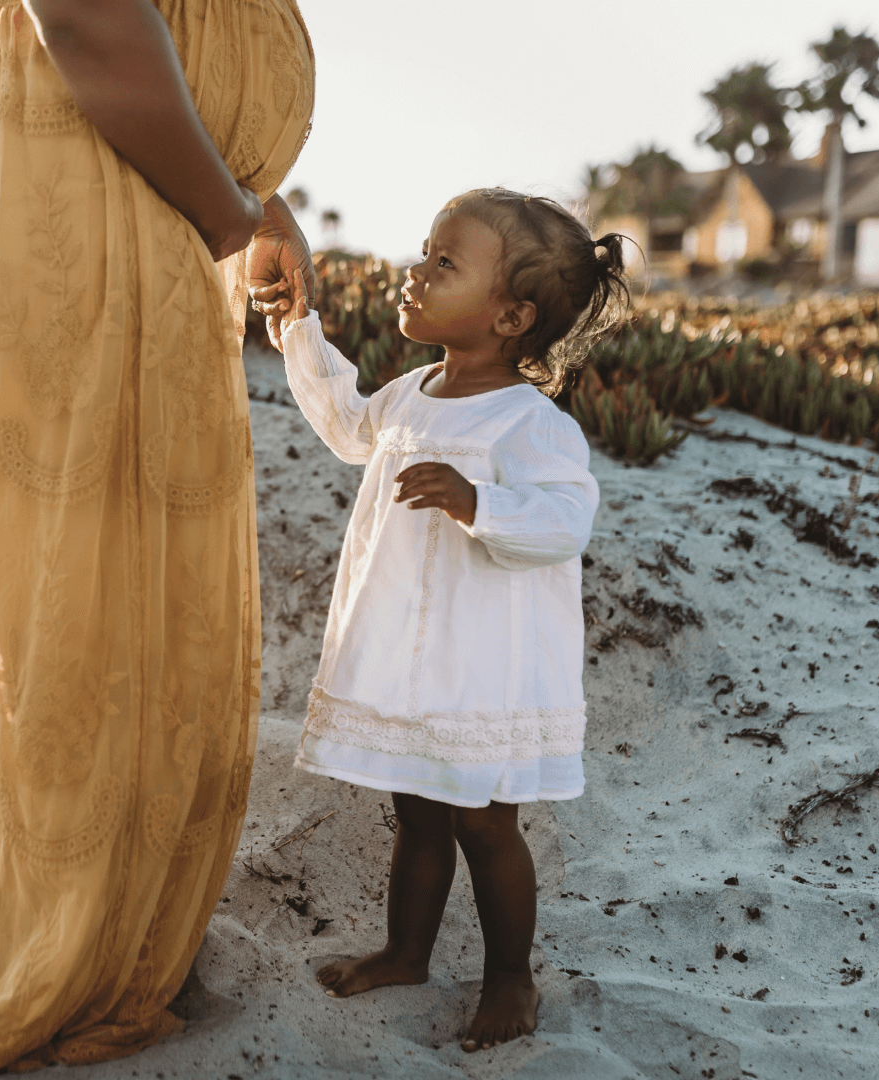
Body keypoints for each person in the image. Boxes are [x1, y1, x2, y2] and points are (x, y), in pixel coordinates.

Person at [0, 1, 314, 1076]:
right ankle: (56, 939)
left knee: (115, 588)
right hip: (93, 194)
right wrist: (227, 213)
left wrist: (248, 198)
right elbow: (85, 14)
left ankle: (100, 928)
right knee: (73, 590)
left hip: (147, 187)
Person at [252, 189, 630, 1051]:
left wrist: (479, 501)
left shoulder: (529, 422)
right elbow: (349, 426)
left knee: (486, 822)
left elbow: (566, 519)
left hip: (483, 665)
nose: (415, 272)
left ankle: (509, 977)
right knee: (416, 811)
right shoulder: (413, 393)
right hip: (410, 656)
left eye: (443, 264)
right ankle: (405, 951)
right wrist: (300, 331)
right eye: (423, 252)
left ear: (511, 316)